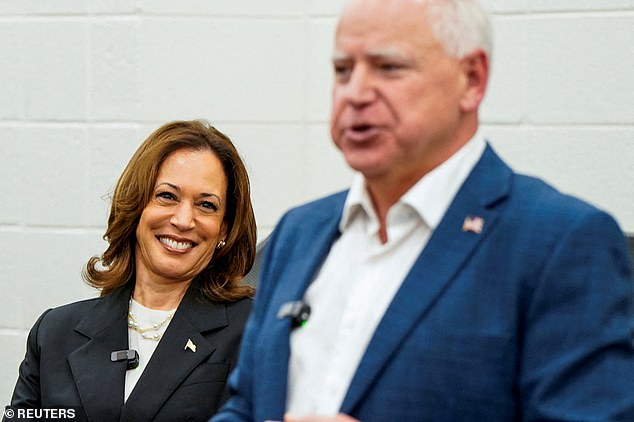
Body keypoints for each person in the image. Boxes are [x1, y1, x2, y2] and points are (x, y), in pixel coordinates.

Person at [212, 0, 634, 421]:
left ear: (472, 79)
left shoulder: (561, 243)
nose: (355, 92)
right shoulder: (298, 232)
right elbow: (245, 406)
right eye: (343, 69)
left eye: (389, 67)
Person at [5, 120, 257, 421]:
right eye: (167, 196)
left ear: (224, 229)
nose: (184, 219)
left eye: (206, 205)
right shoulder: (54, 333)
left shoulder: (255, 330)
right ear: (136, 206)